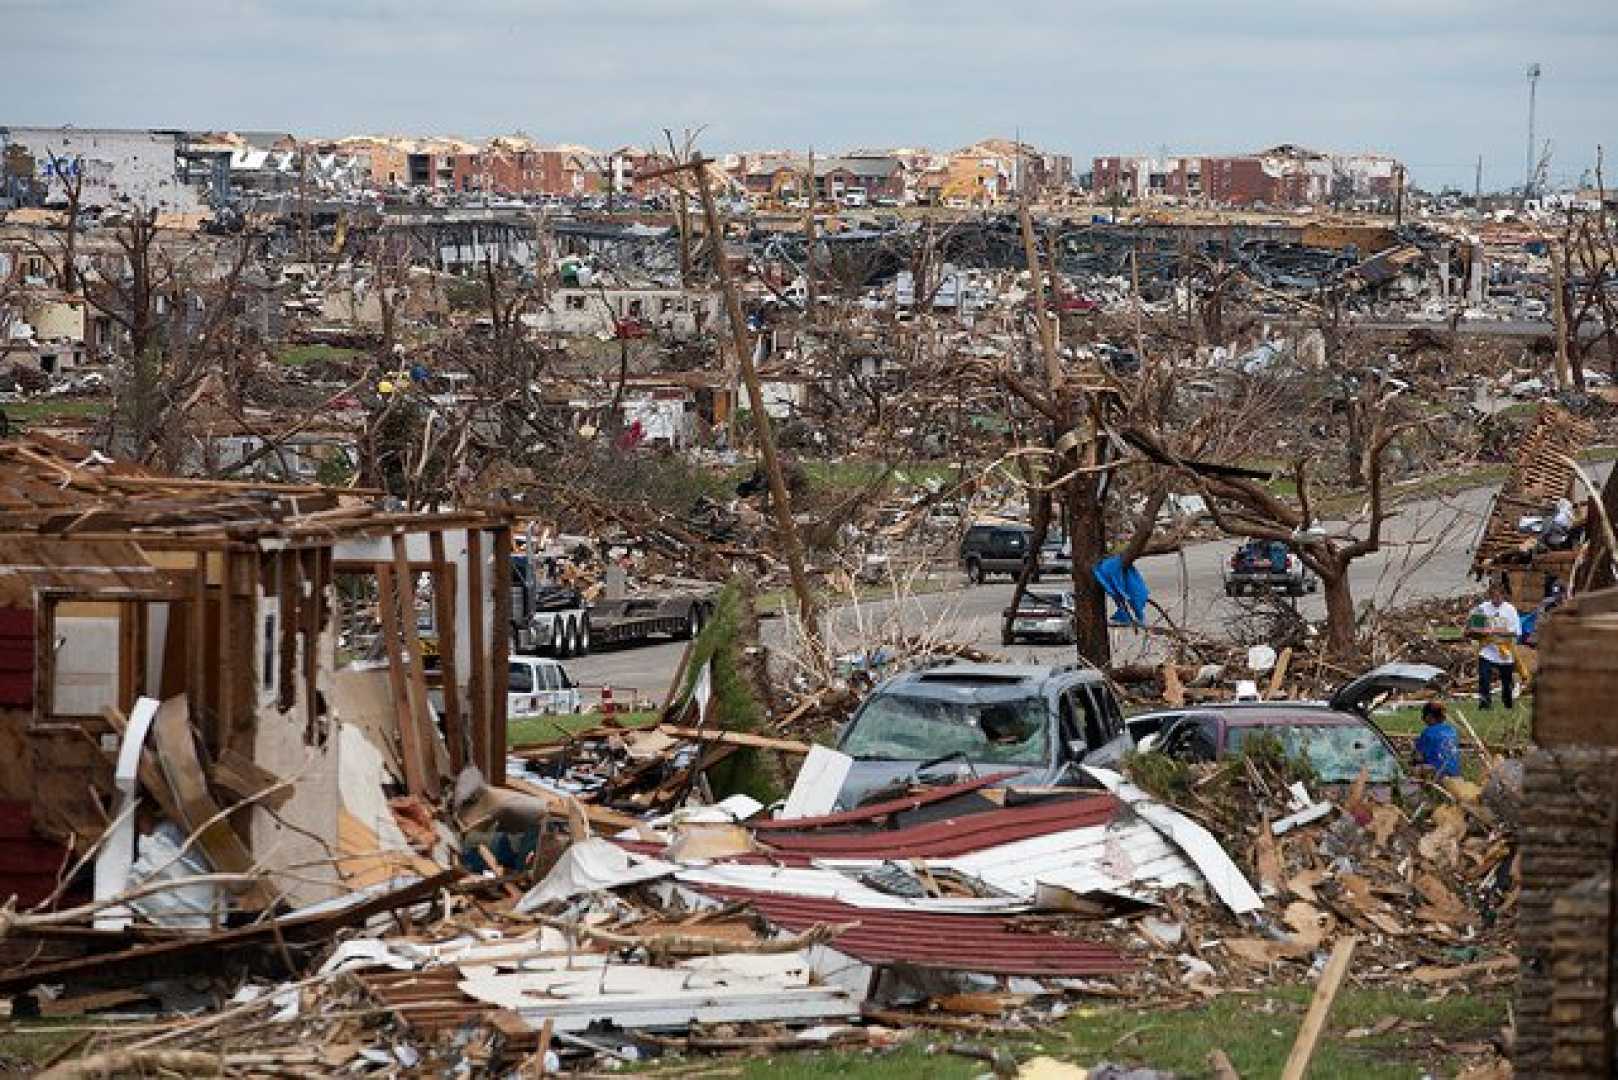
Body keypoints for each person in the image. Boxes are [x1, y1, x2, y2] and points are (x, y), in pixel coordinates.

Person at [1469, 582, 1521, 710]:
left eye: (1498, 597)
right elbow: (1474, 628)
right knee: (1484, 678)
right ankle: (1485, 704)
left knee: (1506, 682)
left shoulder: (1510, 610)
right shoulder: (1483, 608)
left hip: (1504, 650)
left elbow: (1515, 632)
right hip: (1487, 649)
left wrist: (1496, 631)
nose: (1495, 600)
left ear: (1503, 596)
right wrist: (1481, 631)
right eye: (1493, 597)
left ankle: (1507, 702)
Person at [1412, 701, 1461, 778]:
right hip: (1454, 773)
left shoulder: (1428, 732)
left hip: (1438, 773)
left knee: (1413, 769)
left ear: (1429, 716)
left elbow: (1418, 757)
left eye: (1423, 715)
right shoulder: (1452, 730)